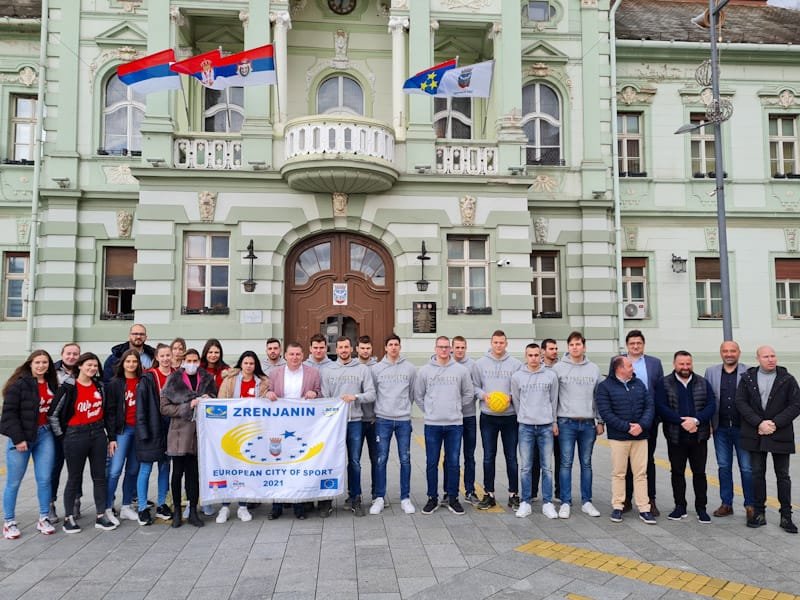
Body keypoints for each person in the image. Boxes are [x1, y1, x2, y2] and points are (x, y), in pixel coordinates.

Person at [48, 352, 118, 533]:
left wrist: (111, 437)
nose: (92, 368)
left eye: (95, 366)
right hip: (75, 435)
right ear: (79, 366)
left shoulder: (100, 386)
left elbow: (108, 414)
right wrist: (63, 437)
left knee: (100, 477)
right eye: (89, 365)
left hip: (97, 434)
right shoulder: (69, 387)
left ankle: (101, 516)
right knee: (74, 477)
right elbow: (53, 414)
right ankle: (69, 518)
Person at [735, 346, 800, 533]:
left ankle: (786, 516)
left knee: (783, 476)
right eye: (766, 356)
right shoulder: (747, 378)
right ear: (758, 358)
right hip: (756, 432)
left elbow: (796, 404)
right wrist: (759, 423)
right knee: (757, 473)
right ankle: (759, 513)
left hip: (780, 432)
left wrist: (774, 423)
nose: (771, 359)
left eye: (773, 355)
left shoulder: (787, 379)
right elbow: (741, 402)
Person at [1, 350, 59, 538]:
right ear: (30, 364)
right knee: (14, 482)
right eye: (38, 362)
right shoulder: (19, 385)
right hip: (22, 437)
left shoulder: (52, 384)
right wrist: (18, 439)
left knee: (44, 479)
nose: (42, 366)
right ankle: (9, 522)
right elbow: (8, 415)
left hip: (45, 435)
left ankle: (44, 517)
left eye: (45, 362)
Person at [414, 336, 473, 516]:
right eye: (441, 347)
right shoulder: (424, 371)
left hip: (454, 423)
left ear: (451, 349)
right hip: (432, 424)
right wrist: (430, 410)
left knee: (453, 462)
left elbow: (468, 393)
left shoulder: (460, 370)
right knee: (432, 462)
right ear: (435, 348)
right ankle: (432, 497)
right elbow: (418, 395)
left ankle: (453, 497)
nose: (444, 350)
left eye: (447, 347)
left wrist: (455, 406)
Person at [655, 350, 715, 523]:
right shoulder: (664, 383)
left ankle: (701, 508)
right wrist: (681, 421)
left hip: (698, 436)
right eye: (681, 364)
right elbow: (661, 406)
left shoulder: (703, 382)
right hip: (676, 437)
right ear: (674, 364)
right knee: (677, 472)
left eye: (688, 363)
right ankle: (679, 506)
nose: (685, 367)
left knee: (700, 473)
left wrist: (696, 420)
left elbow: (711, 405)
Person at [160, 348, 216, 528]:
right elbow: (164, 408)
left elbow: (215, 401)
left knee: (193, 474)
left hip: (199, 433)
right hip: (179, 433)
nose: (192, 363)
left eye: (195, 360)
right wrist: (187, 406)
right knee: (177, 473)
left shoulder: (207, 379)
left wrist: (209, 399)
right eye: (189, 360)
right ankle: (177, 510)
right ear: (183, 361)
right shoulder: (174, 379)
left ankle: (193, 510)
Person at [597, 356, 656, 524]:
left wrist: (641, 425)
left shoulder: (638, 384)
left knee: (640, 474)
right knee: (619, 473)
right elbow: (606, 412)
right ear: (619, 368)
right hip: (619, 438)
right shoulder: (605, 387)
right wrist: (627, 427)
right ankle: (618, 506)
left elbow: (649, 406)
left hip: (641, 436)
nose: (633, 369)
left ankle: (644, 508)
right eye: (629, 366)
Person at [321, 337, 376, 517]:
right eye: (341, 347)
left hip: (355, 422)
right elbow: (324, 398)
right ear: (336, 349)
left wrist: (356, 397)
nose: (344, 350)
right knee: (330, 460)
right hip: (334, 424)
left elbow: (371, 394)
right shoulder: (327, 370)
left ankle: (355, 497)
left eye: (347, 347)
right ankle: (326, 499)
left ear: (352, 349)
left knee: (354, 462)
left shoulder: (362, 369)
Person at [267, 342, 321, 519]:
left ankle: (299, 507)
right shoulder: (275, 373)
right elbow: (267, 392)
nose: (295, 357)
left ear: (303, 355)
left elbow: (320, 393)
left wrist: (314, 393)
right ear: (285, 355)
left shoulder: (312, 373)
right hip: (279, 426)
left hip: (302, 427)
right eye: (291, 354)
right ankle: (277, 506)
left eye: (298, 354)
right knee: (278, 464)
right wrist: (268, 394)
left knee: (298, 464)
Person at [613, 330, 664, 516]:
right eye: (632, 343)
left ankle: (650, 499)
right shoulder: (617, 361)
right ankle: (626, 499)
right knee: (623, 462)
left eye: (639, 343)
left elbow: (659, 391)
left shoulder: (654, 363)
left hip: (648, 419)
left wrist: (654, 417)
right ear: (627, 345)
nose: (635, 346)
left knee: (647, 461)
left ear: (643, 345)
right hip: (623, 419)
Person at [552, 331, 603, 519]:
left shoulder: (594, 369)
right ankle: (565, 502)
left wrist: (600, 420)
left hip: (588, 424)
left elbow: (599, 397)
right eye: (572, 344)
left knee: (587, 463)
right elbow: (553, 398)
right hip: (566, 423)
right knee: (565, 463)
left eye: (578, 344)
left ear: (584, 346)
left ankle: (586, 502)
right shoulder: (558, 369)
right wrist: (554, 421)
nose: (575, 347)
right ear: (568, 347)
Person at [215, 351, 270, 523]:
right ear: (241, 364)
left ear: (256, 366)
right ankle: (224, 506)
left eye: (251, 363)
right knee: (228, 467)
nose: (248, 366)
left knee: (246, 469)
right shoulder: (230, 380)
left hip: (252, 433)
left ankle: (243, 506)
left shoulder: (262, 383)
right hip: (231, 432)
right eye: (245, 363)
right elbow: (220, 402)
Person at [473, 330, 523, 511]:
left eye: (501, 342)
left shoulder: (516, 364)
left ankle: (513, 495)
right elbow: (474, 386)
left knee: (511, 457)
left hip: (510, 417)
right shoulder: (480, 364)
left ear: (506, 343)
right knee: (488, 457)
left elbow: (519, 387)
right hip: (488, 417)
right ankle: (489, 494)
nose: (498, 345)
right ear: (491, 343)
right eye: (495, 342)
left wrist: (511, 396)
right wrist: (483, 395)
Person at [704, 340, 753, 521]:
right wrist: (708, 422)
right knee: (724, 467)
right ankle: (727, 504)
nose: (729, 354)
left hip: (744, 429)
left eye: (733, 351)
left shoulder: (749, 372)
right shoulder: (711, 372)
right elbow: (707, 399)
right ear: (721, 353)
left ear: (739, 353)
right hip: (721, 428)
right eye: (725, 351)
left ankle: (750, 505)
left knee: (747, 468)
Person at [370, 334, 417, 515]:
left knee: (405, 459)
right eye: (390, 344)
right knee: (381, 459)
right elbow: (373, 392)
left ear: (400, 347)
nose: (394, 347)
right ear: (385, 348)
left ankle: (405, 498)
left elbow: (412, 393)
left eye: (396, 344)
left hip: (403, 420)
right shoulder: (376, 369)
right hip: (383, 420)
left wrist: (404, 408)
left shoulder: (410, 368)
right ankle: (380, 497)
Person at [511, 343, 558, 519]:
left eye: (536, 355)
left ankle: (547, 503)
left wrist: (553, 422)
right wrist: (523, 416)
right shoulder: (517, 377)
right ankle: (525, 502)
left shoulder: (550, 376)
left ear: (541, 356)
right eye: (530, 355)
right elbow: (516, 401)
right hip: (526, 427)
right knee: (526, 467)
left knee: (547, 467)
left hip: (546, 426)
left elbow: (554, 400)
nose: (533, 358)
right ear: (526, 356)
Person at [135, 343, 173, 526]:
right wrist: (143, 431)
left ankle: (162, 503)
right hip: (152, 426)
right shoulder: (148, 377)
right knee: (146, 468)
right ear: (157, 357)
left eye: (168, 355)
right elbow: (141, 406)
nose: (166, 359)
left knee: (165, 466)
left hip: (171, 427)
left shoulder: (177, 375)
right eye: (163, 356)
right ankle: (142, 507)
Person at [104, 349, 143, 526]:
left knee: (133, 469)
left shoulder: (144, 382)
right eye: (128, 361)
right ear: (123, 364)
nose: (131, 364)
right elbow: (110, 412)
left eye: (134, 361)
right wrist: (111, 437)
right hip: (122, 431)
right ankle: (106, 507)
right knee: (115, 470)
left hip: (139, 431)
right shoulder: (114, 384)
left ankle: (126, 506)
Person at [50, 342, 81, 523]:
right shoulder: (52, 373)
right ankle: (50, 503)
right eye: (68, 353)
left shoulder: (83, 370)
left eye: (75, 354)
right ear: (62, 354)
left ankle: (76, 500)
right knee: (55, 467)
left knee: (75, 468)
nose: (72, 356)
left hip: (76, 427)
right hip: (57, 427)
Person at [446, 335, 479, 505]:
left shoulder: (473, 365)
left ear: (466, 348)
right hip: (451, 419)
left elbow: (475, 389)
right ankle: (448, 491)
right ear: (451, 348)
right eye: (457, 347)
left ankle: (470, 490)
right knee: (451, 457)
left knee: (469, 455)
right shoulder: (446, 364)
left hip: (468, 416)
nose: (459, 350)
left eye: (462, 347)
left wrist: (460, 405)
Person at [531, 338, 561, 503]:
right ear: (543, 351)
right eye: (551, 348)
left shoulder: (561, 368)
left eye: (556, 348)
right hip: (538, 420)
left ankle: (558, 492)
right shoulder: (536, 367)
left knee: (558, 457)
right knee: (536, 457)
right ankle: (534, 492)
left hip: (556, 419)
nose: (554, 351)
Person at [356, 335, 379, 505]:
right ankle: (354, 494)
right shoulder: (353, 367)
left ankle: (377, 494)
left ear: (371, 349)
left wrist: (378, 415)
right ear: (357, 349)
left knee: (376, 459)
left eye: (368, 348)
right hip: (356, 421)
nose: (365, 351)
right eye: (362, 348)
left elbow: (382, 393)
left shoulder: (378, 368)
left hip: (374, 421)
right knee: (354, 460)